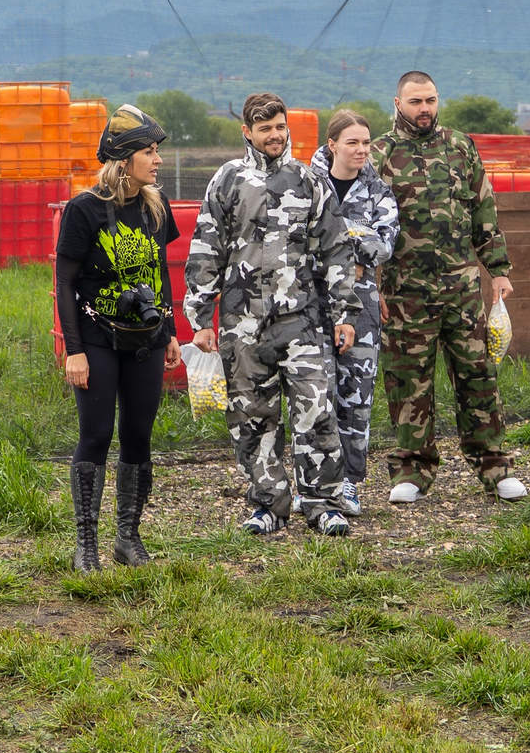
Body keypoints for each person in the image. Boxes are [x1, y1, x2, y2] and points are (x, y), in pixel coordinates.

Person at [185, 92, 357, 538]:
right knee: (252, 419)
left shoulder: (308, 181)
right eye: (265, 129)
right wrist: (200, 318)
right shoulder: (226, 181)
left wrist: (344, 313)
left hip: (300, 321)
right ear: (247, 132)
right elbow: (206, 250)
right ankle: (269, 505)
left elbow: (336, 248)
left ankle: (324, 504)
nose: (275, 135)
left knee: (316, 411)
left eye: (280, 127)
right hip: (242, 326)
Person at [374, 71, 527, 505]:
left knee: (479, 376)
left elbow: (483, 208)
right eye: (416, 101)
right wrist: (373, 287)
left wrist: (498, 269)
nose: (425, 108)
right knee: (408, 383)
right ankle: (412, 470)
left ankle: (494, 466)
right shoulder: (382, 154)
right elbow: (366, 227)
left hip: (461, 289)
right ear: (398, 103)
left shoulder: (460, 146)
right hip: (406, 294)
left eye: (431, 100)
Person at [56, 104, 183, 570]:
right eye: (150, 152)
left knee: (137, 435)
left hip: (144, 339)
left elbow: (159, 273)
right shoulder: (83, 209)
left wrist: (168, 329)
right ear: (123, 158)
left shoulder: (155, 206)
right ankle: (85, 546)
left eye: (157, 152)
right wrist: (74, 351)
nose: (158, 160)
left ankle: (127, 539)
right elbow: (64, 281)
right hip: (95, 338)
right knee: (96, 435)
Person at [311, 110, 398, 518]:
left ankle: (349, 480)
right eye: (352, 142)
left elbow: (384, 246)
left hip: (360, 305)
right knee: (314, 392)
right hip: (311, 302)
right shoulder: (306, 182)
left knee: (356, 395)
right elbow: (298, 237)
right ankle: (313, 482)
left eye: (366, 142)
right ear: (332, 145)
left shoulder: (378, 190)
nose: (362, 150)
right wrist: (353, 245)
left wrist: (336, 243)